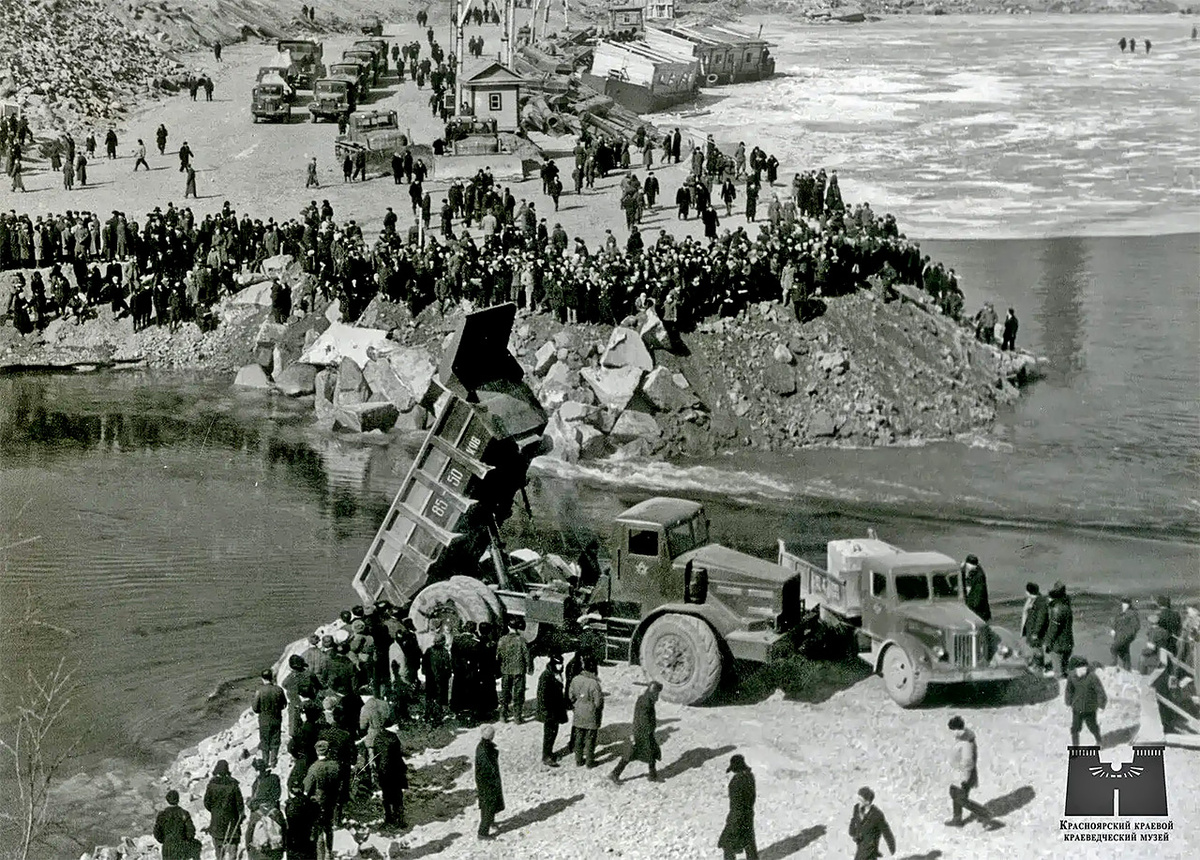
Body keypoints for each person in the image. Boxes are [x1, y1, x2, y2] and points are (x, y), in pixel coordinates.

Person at [944, 716, 1000, 830]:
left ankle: (985, 814)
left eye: (953, 730)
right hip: (959, 773)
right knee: (955, 793)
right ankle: (957, 819)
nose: (952, 733)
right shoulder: (964, 737)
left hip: (963, 775)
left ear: (958, 730)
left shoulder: (966, 743)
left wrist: (965, 778)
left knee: (961, 798)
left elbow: (968, 762)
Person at [610, 681, 663, 784]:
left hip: (644, 732)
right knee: (633, 753)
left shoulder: (645, 699)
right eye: (657, 693)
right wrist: (648, 730)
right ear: (653, 692)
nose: (658, 696)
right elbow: (643, 720)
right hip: (643, 733)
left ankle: (653, 775)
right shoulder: (647, 702)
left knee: (651, 752)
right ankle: (615, 773)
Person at [303, 740, 340, 860]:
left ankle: (320, 856)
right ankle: (329, 853)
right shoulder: (335, 765)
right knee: (328, 828)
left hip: (318, 801)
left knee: (318, 830)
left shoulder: (314, 767)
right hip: (331, 800)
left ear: (317, 752)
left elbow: (307, 788)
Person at [203, 760, 245, 860]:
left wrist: (215, 811)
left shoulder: (212, 785)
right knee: (232, 854)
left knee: (219, 854)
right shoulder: (233, 785)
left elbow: (207, 803)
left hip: (217, 823)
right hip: (232, 823)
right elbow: (240, 805)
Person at [717, 754, 757, 860]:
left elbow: (736, 804)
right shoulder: (750, 776)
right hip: (748, 814)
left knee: (727, 843)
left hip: (738, 816)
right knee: (749, 841)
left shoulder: (737, 781)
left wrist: (732, 819)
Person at [568, 654, 604, 768]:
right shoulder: (594, 683)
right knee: (590, 739)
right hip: (591, 713)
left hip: (578, 712)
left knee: (578, 736)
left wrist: (577, 704)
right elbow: (598, 702)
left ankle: (578, 760)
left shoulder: (575, 679)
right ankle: (589, 761)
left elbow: (571, 696)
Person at [1065, 656, 1106, 747]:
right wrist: (1068, 702)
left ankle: (1099, 741)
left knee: (1092, 726)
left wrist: (1101, 705)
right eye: (1079, 668)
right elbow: (1069, 690)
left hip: (1090, 708)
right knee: (1075, 729)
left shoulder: (1092, 677)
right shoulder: (1072, 677)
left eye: (1084, 668)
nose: (1082, 670)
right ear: (1075, 669)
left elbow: (1100, 691)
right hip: (1077, 707)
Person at [496, 619, 532, 723]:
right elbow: (527, 655)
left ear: (508, 627)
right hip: (519, 670)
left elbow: (498, 656)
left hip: (506, 670)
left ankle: (503, 715)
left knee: (505, 693)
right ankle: (517, 717)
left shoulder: (502, 640)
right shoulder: (521, 640)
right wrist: (529, 667)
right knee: (518, 694)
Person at [536, 653, 568, 767]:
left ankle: (549, 752)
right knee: (549, 733)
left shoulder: (557, 674)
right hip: (549, 711)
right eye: (558, 664)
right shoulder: (546, 676)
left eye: (561, 664)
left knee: (554, 732)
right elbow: (541, 695)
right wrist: (544, 711)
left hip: (556, 710)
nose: (561, 666)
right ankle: (546, 756)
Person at [374, 722, 409, 828]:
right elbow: (396, 756)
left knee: (386, 795)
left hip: (383, 771)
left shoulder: (378, 737)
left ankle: (389, 818)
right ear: (390, 727)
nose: (397, 728)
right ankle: (399, 819)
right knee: (397, 796)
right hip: (394, 771)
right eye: (396, 725)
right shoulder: (393, 739)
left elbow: (377, 756)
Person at [474, 724, 504, 840]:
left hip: (486, 781)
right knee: (488, 805)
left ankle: (490, 821)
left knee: (490, 803)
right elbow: (488, 768)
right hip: (487, 782)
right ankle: (483, 832)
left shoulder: (483, 746)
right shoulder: (484, 749)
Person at [253, 669, 287, 768]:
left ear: (262, 679)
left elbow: (255, 708)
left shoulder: (259, 691)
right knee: (275, 741)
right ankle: (273, 763)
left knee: (265, 742)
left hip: (264, 720)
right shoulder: (279, 689)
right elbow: (284, 705)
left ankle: (265, 762)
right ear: (272, 677)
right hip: (276, 719)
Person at [849, 786, 895, 860]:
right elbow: (853, 821)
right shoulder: (857, 808)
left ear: (867, 802)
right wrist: (854, 834)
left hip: (871, 851)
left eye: (861, 800)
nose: (858, 802)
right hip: (860, 847)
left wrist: (892, 850)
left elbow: (886, 832)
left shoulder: (877, 815)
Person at [154, 789, 200, 860]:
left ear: (167, 800)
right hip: (181, 846)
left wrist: (164, 841)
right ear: (178, 799)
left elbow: (157, 832)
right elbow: (191, 831)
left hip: (168, 848)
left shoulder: (162, 815)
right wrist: (186, 840)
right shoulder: (184, 813)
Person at [1044, 581, 1074, 678]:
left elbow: (1053, 629)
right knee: (1064, 670)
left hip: (1058, 646)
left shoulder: (1056, 609)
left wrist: (1048, 643)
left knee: (1058, 673)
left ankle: (1062, 686)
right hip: (1068, 643)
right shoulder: (1067, 606)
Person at [244, 794, 287, 860]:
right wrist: (282, 848)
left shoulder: (255, 814)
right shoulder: (277, 813)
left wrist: (249, 850)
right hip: (275, 851)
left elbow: (249, 834)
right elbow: (284, 832)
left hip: (259, 851)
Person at [1021, 582, 1049, 670]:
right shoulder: (1031, 600)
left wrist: (1036, 632)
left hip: (1036, 630)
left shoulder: (1040, 602)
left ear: (1029, 592)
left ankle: (1039, 666)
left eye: (1026, 591)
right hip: (1031, 628)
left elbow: (1041, 619)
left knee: (1037, 647)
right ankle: (1036, 663)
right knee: (1033, 647)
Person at [1109, 597, 1140, 671]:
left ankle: (1114, 664)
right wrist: (1113, 629)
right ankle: (1127, 669)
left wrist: (1128, 635)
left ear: (1129, 605)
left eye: (1126, 604)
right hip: (1119, 635)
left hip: (1125, 636)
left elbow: (1136, 626)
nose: (1124, 605)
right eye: (1123, 603)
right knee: (1124, 653)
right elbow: (1115, 621)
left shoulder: (1132, 613)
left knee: (1113, 648)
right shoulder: (1120, 612)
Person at [962, 554, 991, 621]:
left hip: (979, 612)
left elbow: (978, 595)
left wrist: (970, 608)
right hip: (979, 610)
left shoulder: (979, 577)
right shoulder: (976, 571)